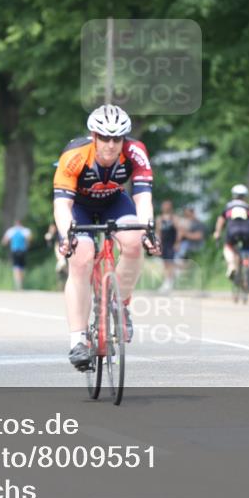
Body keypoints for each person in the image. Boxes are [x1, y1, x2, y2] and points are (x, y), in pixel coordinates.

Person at [52, 104, 160, 371]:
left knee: (134, 242)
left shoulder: (135, 152)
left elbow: (143, 198)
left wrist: (148, 229)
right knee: (81, 257)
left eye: (117, 138)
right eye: (105, 138)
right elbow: (61, 205)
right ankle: (78, 340)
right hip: (80, 206)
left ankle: (120, 303)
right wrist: (68, 235)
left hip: (115, 202)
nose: (111, 145)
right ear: (94, 135)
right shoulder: (75, 155)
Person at [212, 184, 249, 281]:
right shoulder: (248, 207)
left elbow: (221, 220)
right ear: (245, 196)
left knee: (228, 247)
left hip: (233, 233)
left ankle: (231, 266)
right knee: (247, 253)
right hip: (247, 233)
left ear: (234, 195)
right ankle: (248, 278)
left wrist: (217, 232)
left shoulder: (228, 207)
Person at [1, 219, 33, 291]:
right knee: (22, 268)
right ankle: (21, 285)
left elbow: (4, 241)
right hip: (23, 251)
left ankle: (17, 284)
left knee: (16, 268)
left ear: (15, 224)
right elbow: (30, 239)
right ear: (21, 224)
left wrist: (8, 243)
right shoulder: (25, 230)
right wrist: (27, 245)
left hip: (15, 251)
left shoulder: (11, 231)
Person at [44, 223, 69, 289]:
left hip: (64, 254)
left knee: (62, 267)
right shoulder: (55, 235)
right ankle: (62, 285)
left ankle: (65, 285)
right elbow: (49, 245)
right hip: (61, 256)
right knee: (60, 269)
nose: (51, 229)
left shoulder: (59, 233)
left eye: (52, 228)